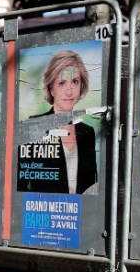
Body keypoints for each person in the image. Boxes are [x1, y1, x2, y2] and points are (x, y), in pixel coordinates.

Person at [23, 49, 97, 194]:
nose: (69, 91)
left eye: (75, 81)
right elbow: (20, 184)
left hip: (79, 214)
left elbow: (92, 185)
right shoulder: (34, 127)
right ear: (51, 89)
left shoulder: (87, 132)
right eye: (62, 83)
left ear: (81, 85)